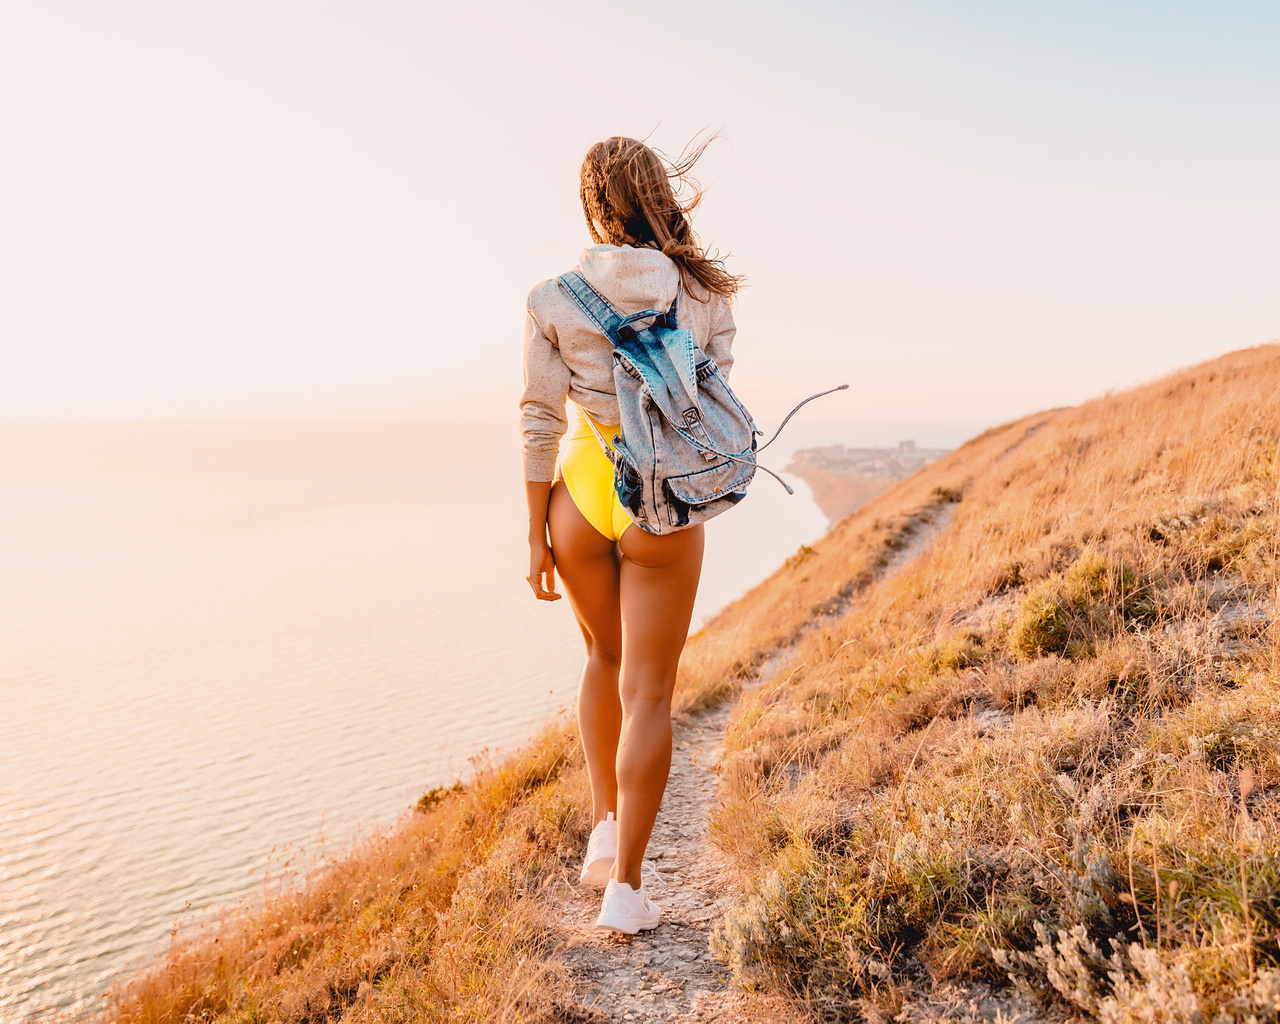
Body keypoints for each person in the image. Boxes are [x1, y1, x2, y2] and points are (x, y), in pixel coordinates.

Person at [520, 136, 741, 934]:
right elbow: (709, 404)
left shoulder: (552, 296)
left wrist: (535, 535)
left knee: (600, 661)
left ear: (591, 202)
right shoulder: (704, 294)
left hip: (578, 495)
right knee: (649, 691)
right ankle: (627, 891)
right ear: (658, 193)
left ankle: (604, 830)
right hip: (662, 499)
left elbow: (539, 417)